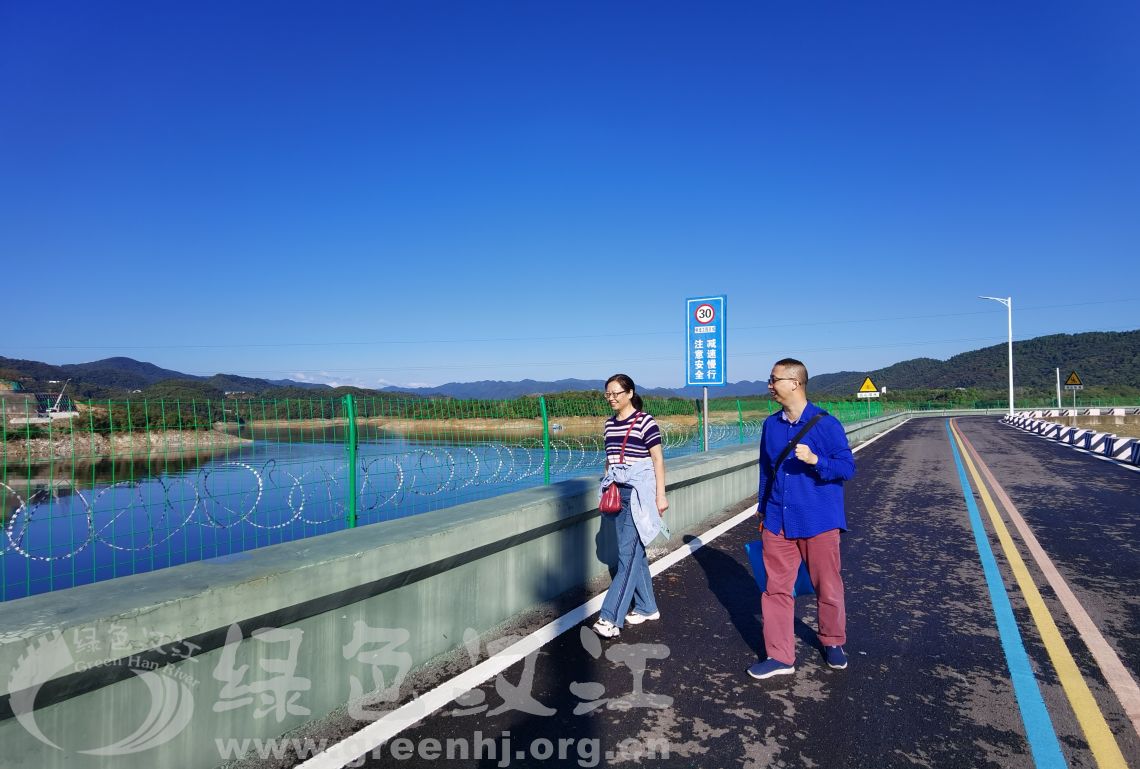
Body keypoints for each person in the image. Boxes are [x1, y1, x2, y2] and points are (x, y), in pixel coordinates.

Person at [748, 358, 855, 679]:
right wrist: (763, 507)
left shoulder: (826, 424)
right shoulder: (771, 425)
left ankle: (832, 641)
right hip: (777, 520)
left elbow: (846, 467)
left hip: (818, 520)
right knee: (775, 589)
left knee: (828, 585)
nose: (770, 385)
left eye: (774, 379)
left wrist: (815, 460)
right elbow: (766, 470)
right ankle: (780, 656)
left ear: (795, 383)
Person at [592, 374, 668, 639]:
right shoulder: (609, 425)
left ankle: (609, 618)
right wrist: (606, 487)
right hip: (617, 494)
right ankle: (647, 607)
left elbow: (657, 459)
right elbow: (609, 460)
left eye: (616, 393)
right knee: (634, 553)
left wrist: (660, 496)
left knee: (627, 555)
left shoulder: (645, 421)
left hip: (639, 495)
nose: (611, 398)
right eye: (608, 394)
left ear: (630, 393)